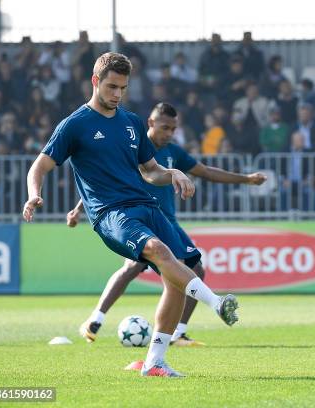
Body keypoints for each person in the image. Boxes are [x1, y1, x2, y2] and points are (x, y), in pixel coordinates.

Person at [22, 52, 239, 377]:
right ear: (95, 81)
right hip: (111, 214)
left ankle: (154, 362)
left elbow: (150, 171)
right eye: (111, 86)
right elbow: (39, 165)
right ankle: (216, 303)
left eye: (122, 88)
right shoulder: (74, 125)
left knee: (187, 269)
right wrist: (34, 194)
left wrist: (174, 173)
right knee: (159, 252)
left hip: (146, 206)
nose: (117, 94)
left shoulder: (132, 122)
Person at [69, 102, 267, 347]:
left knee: (196, 271)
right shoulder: (132, 146)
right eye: (165, 128)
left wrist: (246, 179)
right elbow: (102, 182)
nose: (169, 133)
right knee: (133, 268)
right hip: (138, 220)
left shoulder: (174, 152)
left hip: (167, 222)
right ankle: (96, 319)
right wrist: (79, 209)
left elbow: (205, 171)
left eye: (173, 129)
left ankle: (176, 333)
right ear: (150, 123)